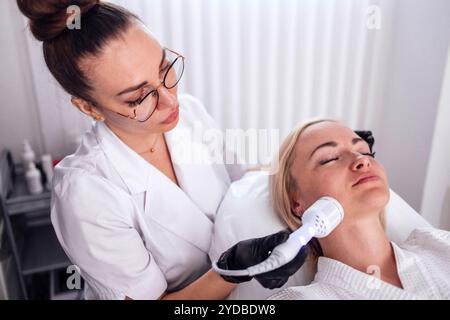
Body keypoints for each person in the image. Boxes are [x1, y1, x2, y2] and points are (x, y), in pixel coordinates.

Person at [17, 0, 305, 300]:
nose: (170, 101)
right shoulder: (85, 194)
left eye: (164, 67)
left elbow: (242, 181)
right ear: (89, 107)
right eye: (140, 98)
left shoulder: (190, 113)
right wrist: (232, 269)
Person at [268, 120, 450, 299]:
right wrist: (238, 275)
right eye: (329, 158)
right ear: (296, 202)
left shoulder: (438, 244)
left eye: (365, 151)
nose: (362, 159)